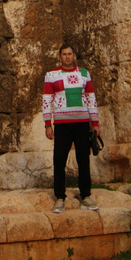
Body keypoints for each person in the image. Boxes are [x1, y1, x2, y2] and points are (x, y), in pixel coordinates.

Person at [41, 44, 99, 212]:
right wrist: (47, 124)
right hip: (62, 123)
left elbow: (91, 98)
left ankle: (86, 195)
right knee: (59, 160)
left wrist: (95, 123)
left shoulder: (84, 74)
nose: (67, 56)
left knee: (83, 159)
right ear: (60, 56)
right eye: (64, 54)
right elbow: (46, 100)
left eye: (69, 54)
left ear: (74, 56)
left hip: (82, 122)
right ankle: (60, 197)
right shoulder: (51, 75)